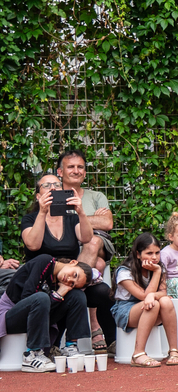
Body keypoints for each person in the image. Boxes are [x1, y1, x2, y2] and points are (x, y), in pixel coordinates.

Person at [20, 172, 117, 350]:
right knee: (74, 295)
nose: (53, 189)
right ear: (38, 195)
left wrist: (80, 212)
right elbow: (32, 245)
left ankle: (112, 341)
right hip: (41, 281)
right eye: (47, 186)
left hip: (71, 277)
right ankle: (59, 345)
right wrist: (42, 212)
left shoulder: (71, 218)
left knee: (104, 292)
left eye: (57, 185)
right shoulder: (30, 219)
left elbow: (87, 238)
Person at [57, 148, 115, 350]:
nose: (76, 170)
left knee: (92, 243)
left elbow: (107, 223)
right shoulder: (54, 196)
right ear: (60, 172)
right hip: (68, 248)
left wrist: (74, 218)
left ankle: (70, 290)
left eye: (80, 167)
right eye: (70, 166)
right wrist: (91, 219)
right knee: (97, 264)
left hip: (97, 243)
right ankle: (94, 324)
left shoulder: (96, 196)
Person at [0, 256, 91, 372]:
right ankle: (32, 354)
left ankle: (70, 347)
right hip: (9, 315)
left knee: (77, 296)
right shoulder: (44, 261)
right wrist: (58, 294)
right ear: (73, 262)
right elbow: (28, 298)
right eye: (75, 275)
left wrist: (61, 293)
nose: (69, 281)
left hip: (34, 315)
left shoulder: (58, 280)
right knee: (41, 298)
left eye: (72, 284)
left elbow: (43, 307)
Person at [112, 233, 178, 367]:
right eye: (149, 253)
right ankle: (138, 354)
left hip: (148, 307)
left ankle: (174, 350)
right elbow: (143, 297)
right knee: (154, 305)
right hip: (125, 311)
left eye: (157, 253)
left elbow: (163, 293)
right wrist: (156, 273)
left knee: (165, 301)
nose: (154, 257)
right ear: (138, 254)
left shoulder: (159, 266)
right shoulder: (124, 271)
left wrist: (152, 295)